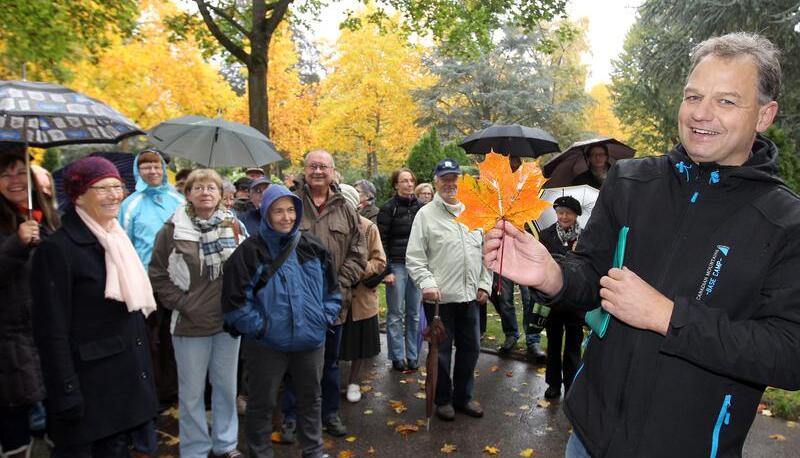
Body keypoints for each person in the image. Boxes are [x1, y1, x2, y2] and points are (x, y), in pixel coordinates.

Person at [483, 33, 800, 457]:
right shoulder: (631, 181)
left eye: (727, 101)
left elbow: (789, 353)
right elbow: (591, 277)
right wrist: (553, 275)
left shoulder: (785, 221)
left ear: (764, 115)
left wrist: (669, 317)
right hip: (588, 439)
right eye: (693, 96)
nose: (701, 114)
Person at [31, 156, 158, 457]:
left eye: (117, 186)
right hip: (90, 394)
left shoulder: (116, 239)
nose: (114, 195)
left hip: (124, 388)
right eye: (102, 188)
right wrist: (66, 393)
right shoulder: (58, 249)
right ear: (78, 194)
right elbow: (51, 333)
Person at [222, 184, 341, 458]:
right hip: (267, 345)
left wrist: (321, 319)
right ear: (266, 213)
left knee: (311, 400)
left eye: (290, 210)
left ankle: (313, 450)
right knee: (262, 403)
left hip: (310, 341)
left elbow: (333, 292)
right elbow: (234, 302)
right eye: (278, 211)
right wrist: (261, 328)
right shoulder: (250, 251)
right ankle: (260, 452)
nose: (286, 217)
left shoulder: (313, 247)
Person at [148, 169, 246, 458]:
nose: (205, 192)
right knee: (191, 394)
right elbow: (157, 273)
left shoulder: (233, 225)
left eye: (212, 187)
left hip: (227, 322)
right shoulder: (173, 229)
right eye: (198, 187)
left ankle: (226, 444)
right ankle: (194, 449)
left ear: (220, 194)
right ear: (188, 193)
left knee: (226, 388)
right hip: (189, 323)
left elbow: (247, 266)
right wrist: (182, 303)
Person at [280, 150, 366, 440]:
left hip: (334, 302)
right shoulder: (289, 204)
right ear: (304, 170)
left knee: (330, 364)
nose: (318, 171)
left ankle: (330, 414)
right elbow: (275, 246)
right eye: (313, 166)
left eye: (323, 166)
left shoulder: (346, 209)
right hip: (295, 301)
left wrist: (340, 285)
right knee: (294, 363)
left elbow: (358, 251)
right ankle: (291, 417)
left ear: (333, 171)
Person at [406, 158, 492, 422]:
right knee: (440, 354)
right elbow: (415, 257)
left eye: (454, 178)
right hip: (439, 300)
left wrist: (484, 284)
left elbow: (487, 253)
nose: (450, 183)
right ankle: (443, 399)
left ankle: (463, 397)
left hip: (470, 298)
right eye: (444, 178)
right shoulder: (425, 215)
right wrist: (427, 283)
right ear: (436, 181)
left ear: (460, 180)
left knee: (471, 349)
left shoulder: (475, 212)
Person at [0, 151, 60, 458]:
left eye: (21, 172)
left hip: (47, 327)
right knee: (14, 412)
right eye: (6, 174)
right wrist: (16, 244)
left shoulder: (44, 215)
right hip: (11, 336)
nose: (15, 181)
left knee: (55, 407)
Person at [118, 149, 184, 412]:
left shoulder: (177, 200)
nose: (153, 171)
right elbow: (123, 244)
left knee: (175, 334)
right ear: (138, 171)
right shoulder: (129, 204)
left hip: (177, 279)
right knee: (148, 338)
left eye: (156, 166)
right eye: (146, 167)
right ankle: (153, 391)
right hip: (144, 281)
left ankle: (175, 386)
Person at [339, 184, 385, 402]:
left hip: (360, 296)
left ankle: (354, 382)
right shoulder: (332, 226)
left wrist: (356, 271)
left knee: (357, 345)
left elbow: (379, 261)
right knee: (335, 343)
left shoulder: (368, 228)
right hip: (336, 296)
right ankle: (334, 381)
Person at [536, 196, 584, 400]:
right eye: (560, 212)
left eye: (569, 213)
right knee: (554, 343)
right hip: (553, 300)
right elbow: (540, 263)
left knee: (573, 345)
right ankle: (553, 384)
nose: (564, 216)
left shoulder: (585, 237)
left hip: (575, 301)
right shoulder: (546, 235)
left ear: (576, 215)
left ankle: (572, 384)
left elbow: (587, 268)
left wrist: (576, 254)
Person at [377, 167, 423, 371]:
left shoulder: (421, 208)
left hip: (417, 266)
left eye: (411, 180)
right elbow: (381, 241)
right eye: (404, 181)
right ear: (396, 184)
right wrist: (386, 270)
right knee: (396, 313)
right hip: (396, 265)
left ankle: (412, 355)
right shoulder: (388, 209)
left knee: (413, 314)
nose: (409, 184)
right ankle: (397, 355)